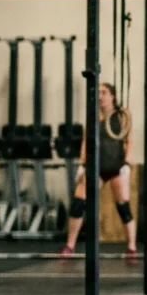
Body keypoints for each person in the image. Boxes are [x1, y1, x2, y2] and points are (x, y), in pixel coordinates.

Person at [59, 82, 137, 257]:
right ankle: (69, 246)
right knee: (78, 204)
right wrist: (82, 164)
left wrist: (127, 163)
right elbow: (86, 142)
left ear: (112, 96)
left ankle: (131, 248)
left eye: (104, 92)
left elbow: (129, 140)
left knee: (123, 207)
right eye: (99, 93)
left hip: (116, 167)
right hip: (96, 168)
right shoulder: (93, 116)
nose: (100, 96)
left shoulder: (123, 114)